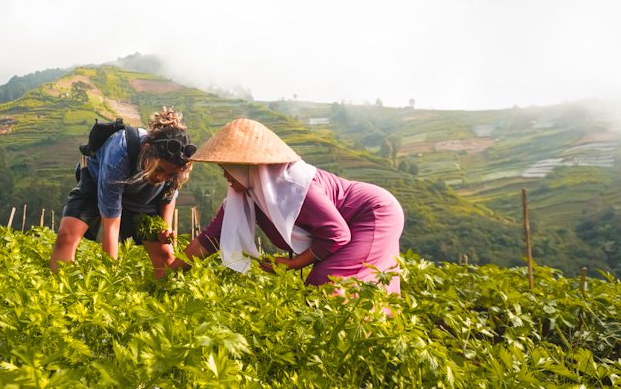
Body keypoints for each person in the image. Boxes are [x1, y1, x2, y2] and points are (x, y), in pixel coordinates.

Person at [168, 118, 404, 291]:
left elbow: (336, 234)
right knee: (345, 286)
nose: (225, 176)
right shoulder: (248, 193)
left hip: (373, 214)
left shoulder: (296, 188)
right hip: (356, 219)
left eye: (228, 169)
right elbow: (209, 239)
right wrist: (166, 276)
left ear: (247, 167)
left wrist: (293, 264)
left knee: (327, 281)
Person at [49, 108, 195, 272]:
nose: (162, 178)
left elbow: (169, 194)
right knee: (66, 237)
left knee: (165, 256)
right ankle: (59, 290)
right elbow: (111, 226)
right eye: (159, 170)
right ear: (146, 150)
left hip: (142, 200)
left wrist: (165, 228)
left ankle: (164, 294)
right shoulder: (119, 153)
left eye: (170, 174)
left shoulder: (177, 164)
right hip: (98, 185)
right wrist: (110, 278)